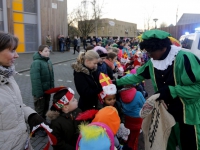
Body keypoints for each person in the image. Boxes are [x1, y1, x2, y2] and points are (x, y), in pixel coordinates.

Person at [115, 29, 200, 150]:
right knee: (164, 145)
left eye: (151, 51)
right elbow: (137, 76)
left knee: (190, 145)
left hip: (187, 114)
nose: (149, 55)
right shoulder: (153, 62)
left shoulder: (185, 58)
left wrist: (173, 91)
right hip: (164, 112)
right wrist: (117, 82)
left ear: (163, 48)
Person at [0, 32, 47, 149]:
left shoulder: (7, 76)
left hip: (22, 143)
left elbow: (14, 104)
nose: (17, 55)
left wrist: (30, 115)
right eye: (12, 51)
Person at [30, 45, 54, 137]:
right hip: (40, 92)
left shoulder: (48, 61)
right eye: (45, 51)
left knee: (45, 108)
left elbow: (52, 77)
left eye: (48, 51)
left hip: (47, 91)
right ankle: (37, 128)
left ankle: (42, 123)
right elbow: (35, 80)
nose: (47, 52)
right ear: (40, 52)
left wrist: (52, 89)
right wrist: (39, 93)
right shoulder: (36, 63)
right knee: (39, 110)